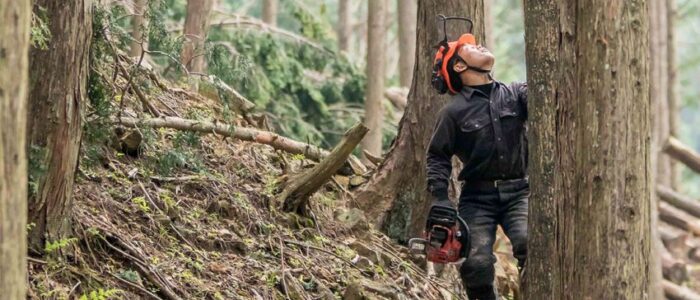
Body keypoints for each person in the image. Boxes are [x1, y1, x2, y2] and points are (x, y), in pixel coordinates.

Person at [426, 35, 528, 300]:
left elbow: (543, 94)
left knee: (529, 243)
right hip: (477, 198)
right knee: (476, 264)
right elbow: (437, 156)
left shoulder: (516, 94)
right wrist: (440, 198)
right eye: (469, 48)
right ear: (459, 66)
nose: (479, 44)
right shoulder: (453, 113)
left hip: (520, 192)